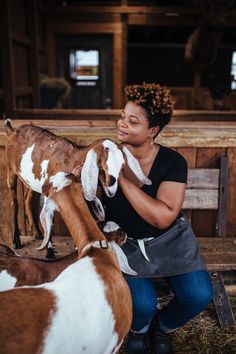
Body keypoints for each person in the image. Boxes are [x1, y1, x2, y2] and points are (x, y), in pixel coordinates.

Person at [102, 83, 213, 354]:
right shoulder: (104, 157)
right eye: (122, 116)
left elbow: (163, 218)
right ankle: (139, 329)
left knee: (199, 295)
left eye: (132, 121)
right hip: (126, 243)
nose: (122, 124)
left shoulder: (173, 162)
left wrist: (123, 180)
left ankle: (162, 326)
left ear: (153, 131)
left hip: (170, 240)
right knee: (142, 303)